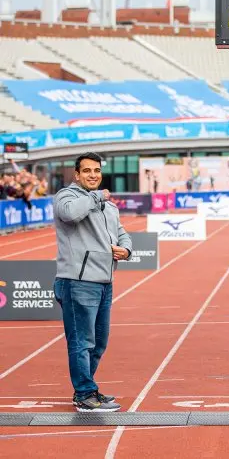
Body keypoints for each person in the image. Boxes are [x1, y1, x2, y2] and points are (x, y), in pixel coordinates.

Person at [53, 152, 132, 413]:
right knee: (81, 342)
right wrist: (96, 196)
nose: (93, 175)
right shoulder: (67, 197)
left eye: (96, 170)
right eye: (87, 171)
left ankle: (86, 388)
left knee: (98, 343)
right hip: (77, 281)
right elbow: (70, 215)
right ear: (77, 175)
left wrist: (127, 251)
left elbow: (121, 234)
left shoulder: (109, 207)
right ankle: (84, 394)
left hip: (104, 281)